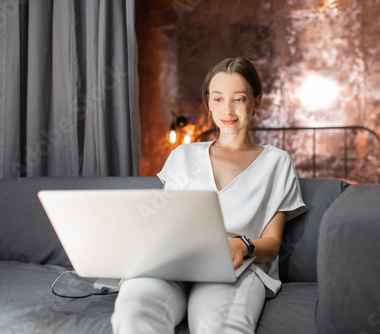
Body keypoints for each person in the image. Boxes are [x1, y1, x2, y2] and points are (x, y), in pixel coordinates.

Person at [111, 57, 307, 334]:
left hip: (236, 267)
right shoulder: (182, 155)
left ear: (256, 102)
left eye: (238, 99)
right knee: (133, 312)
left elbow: (273, 245)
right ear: (208, 102)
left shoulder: (276, 162)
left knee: (220, 326)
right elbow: (162, 222)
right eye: (218, 98)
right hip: (173, 263)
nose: (227, 109)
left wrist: (244, 246)